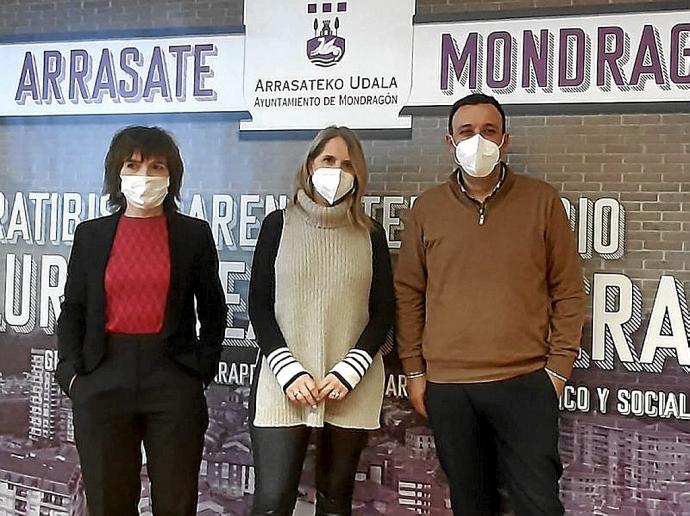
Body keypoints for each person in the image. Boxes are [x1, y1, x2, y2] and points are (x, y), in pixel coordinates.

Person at [395, 94, 585, 516]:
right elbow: (408, 293)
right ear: (449, 141)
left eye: (488, 131)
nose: (477, 140)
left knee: (539, 504)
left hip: (525, 382)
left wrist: (556, 370)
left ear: (505, 141)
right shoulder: (427, 209)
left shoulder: (542, 201)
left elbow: (569, 291)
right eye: (466, 132)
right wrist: (414, 370)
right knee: (471, 504)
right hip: (449, 388)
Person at [56, 126, 227, 516]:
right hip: (103, 378)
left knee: (175, 504)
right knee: (108, 503)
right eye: (133, 166)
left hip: (172, 379)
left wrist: (200, 371)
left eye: (156, 166)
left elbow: (214, 311)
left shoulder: (193, 235)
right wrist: (71, 376)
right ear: (117, 174)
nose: (144, 176)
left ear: (172, 176)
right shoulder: (91, 236)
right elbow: (74, 310)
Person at [248, 126, 394, 516]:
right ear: (310, 164)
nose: (337, 170)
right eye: (328, 160)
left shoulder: (371, 235)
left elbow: (383, 313)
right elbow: (259, 306)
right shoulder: (277, 226)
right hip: (283, 385)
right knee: (272, 501)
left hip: (351, 386)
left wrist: (350, 370)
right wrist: (288, 371)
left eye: (348, 164)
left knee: (334, 499)